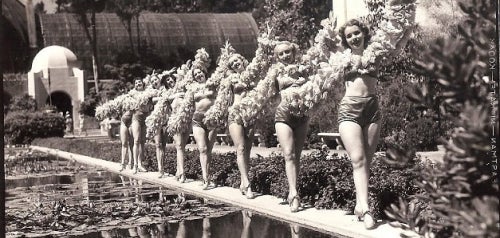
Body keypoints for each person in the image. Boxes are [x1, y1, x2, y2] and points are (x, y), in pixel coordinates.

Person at [334, 0, 416, 229]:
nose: (353, 38)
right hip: (349, 109)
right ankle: (367, 208)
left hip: (372, 109)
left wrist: (407, 28)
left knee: (366, 162)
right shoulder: (340, 58)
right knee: (358, 160)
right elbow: (325, 57)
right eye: (349, 36)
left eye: (356, 33)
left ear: (364, 33)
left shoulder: (376, 53)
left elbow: (396, 48)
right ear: (345, 40)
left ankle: (359, 205)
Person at [188, 67, 217, 189]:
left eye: (199, 72)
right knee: (202, 149)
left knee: (209, 149)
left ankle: (208, 176)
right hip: (197, 119)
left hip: (211, 119)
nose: (198, 75)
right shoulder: (192, 89)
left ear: (204, 72)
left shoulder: (213, 84)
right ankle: (205, 178)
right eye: (195, 74)